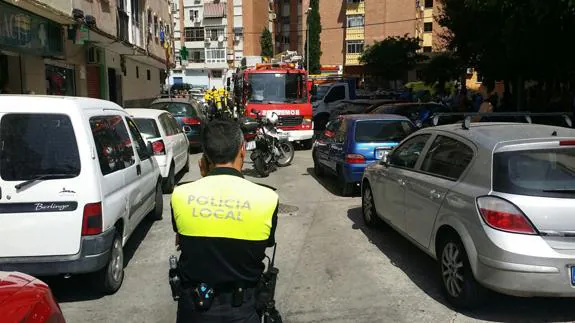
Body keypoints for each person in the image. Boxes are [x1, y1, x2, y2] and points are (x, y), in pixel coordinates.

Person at [171, 119, 279, 323]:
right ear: (242, 150)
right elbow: (266, 243)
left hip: (194, 309)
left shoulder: (180, 195)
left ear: (205, 156)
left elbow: (182, 239)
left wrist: (204, 179)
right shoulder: (267, 198)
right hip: (243, 310)